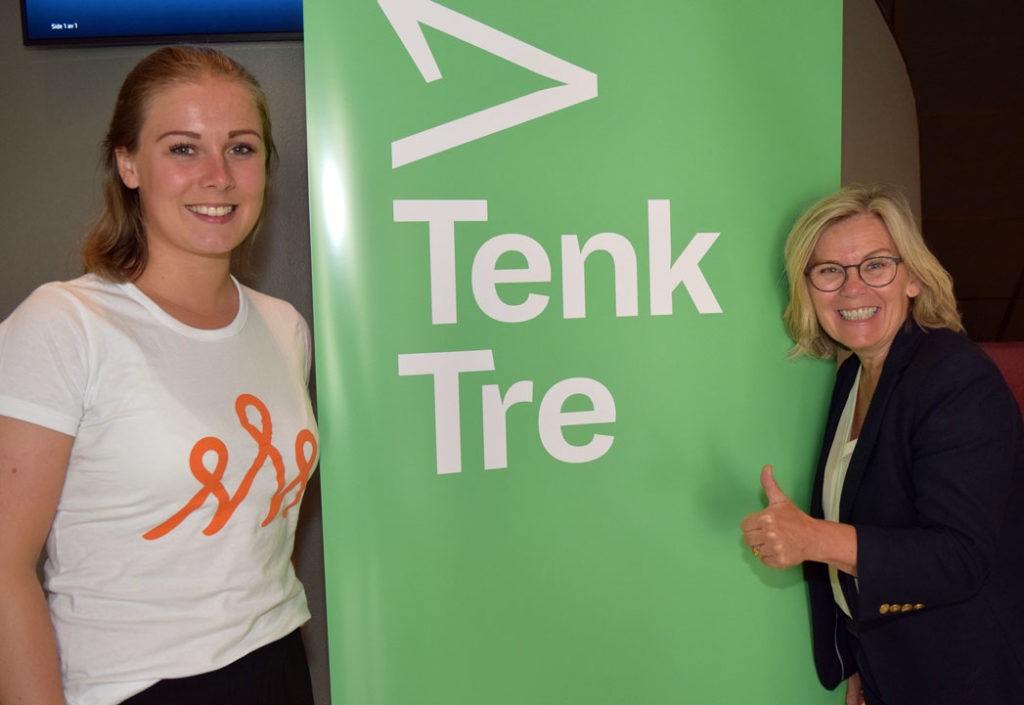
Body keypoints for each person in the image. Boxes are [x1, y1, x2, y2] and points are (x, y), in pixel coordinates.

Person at [0, 46, 319, 705]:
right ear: (128, 163)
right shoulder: (65, 325)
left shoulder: (283, 326)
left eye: (241, 148)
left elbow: (258, 531)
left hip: (277, 659)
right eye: (183, 148)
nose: (217, 176)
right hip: (135, 686)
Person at [740, 184, 1024, 705]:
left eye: (876, 265)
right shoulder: (852, 376)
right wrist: (862, 662)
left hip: (969, 676)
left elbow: (959, 557)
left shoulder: (956, 376)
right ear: (808, 288)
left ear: (913, 278)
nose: (853, 289)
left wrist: (813, 539)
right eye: (830, 271)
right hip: (892, 669)